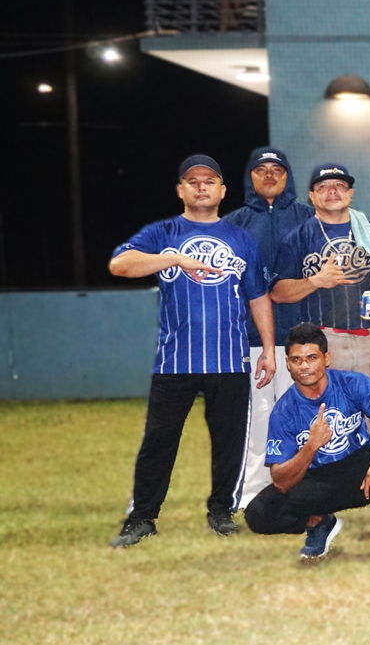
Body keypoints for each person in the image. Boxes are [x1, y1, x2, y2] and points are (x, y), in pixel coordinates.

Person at [108, 154, 275, 547]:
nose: (201, 186)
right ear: (181, 189)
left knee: (229, 441)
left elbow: (258, 297)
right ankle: (143, 516)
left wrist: (267, 348)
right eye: (193, 180)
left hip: (229, 358)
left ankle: (221, 510)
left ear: (222, 191)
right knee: (159, 441)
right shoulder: (163, 232)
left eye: (209, 180)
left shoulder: (241, 239)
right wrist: (174, 258)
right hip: (175, 360)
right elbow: (120, 264)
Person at [269, 163, 370, 514]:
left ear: (351, 193)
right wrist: (316, 281)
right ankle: (331, 489)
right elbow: (279, 292)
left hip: (369, 334)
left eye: (340, 185)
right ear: (312, 195)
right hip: (323, 339)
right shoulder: (298, 237)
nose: (333, 191)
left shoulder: (368, 230)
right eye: (324, 186)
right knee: (331, 417)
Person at [244, 324, 370, 559]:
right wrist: (311, 446)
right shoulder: (283, 411)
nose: (304, 366)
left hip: (362, 474)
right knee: (257, 514)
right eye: (296, 360)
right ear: (287, 363)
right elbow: (281, 481)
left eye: (312, 358)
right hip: (318, 481)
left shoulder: (352, 383)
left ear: (327, 358)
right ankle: (319, 523)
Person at [224, 147, 313, 510]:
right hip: (252, 339)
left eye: (278, 169)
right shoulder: (235, 223)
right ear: (251, 177)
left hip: (303, 338)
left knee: (304, 414)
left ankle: (306, 487)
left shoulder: (309, 219)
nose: (270, 175)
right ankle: (251, 492)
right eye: (262, 169)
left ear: (288, 176)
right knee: (258, 416)